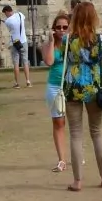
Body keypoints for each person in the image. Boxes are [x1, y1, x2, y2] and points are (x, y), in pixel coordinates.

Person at [64, 1, 102, 192]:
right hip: (94, 87)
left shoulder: (69, 40)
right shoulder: (100, 40)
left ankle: (77, 181)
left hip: (73, 87)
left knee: (76, 134)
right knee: (97, 132)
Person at [40, 11, 71, 172]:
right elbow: (50, 61)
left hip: (71, 86)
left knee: (74, 122)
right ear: (53, 29)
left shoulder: (72, 44)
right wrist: (52, 41)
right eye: (58, 27)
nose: (61, 30)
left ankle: (76, 154)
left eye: (65, 27)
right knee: (59, 123)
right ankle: (62, 160)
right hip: (54, 87)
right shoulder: (47, 45)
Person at [0, 5, 31, 88]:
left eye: (5, 13)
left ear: (7, 11)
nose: (5, 15)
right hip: (23, 41)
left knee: (16, 63)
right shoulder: (20, 14)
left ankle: (17, 83)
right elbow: (20, 21)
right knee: (25, 62)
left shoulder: (8, 21)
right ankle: (28, 81)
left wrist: (3, 20)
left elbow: (9, 27)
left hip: (15, 42)